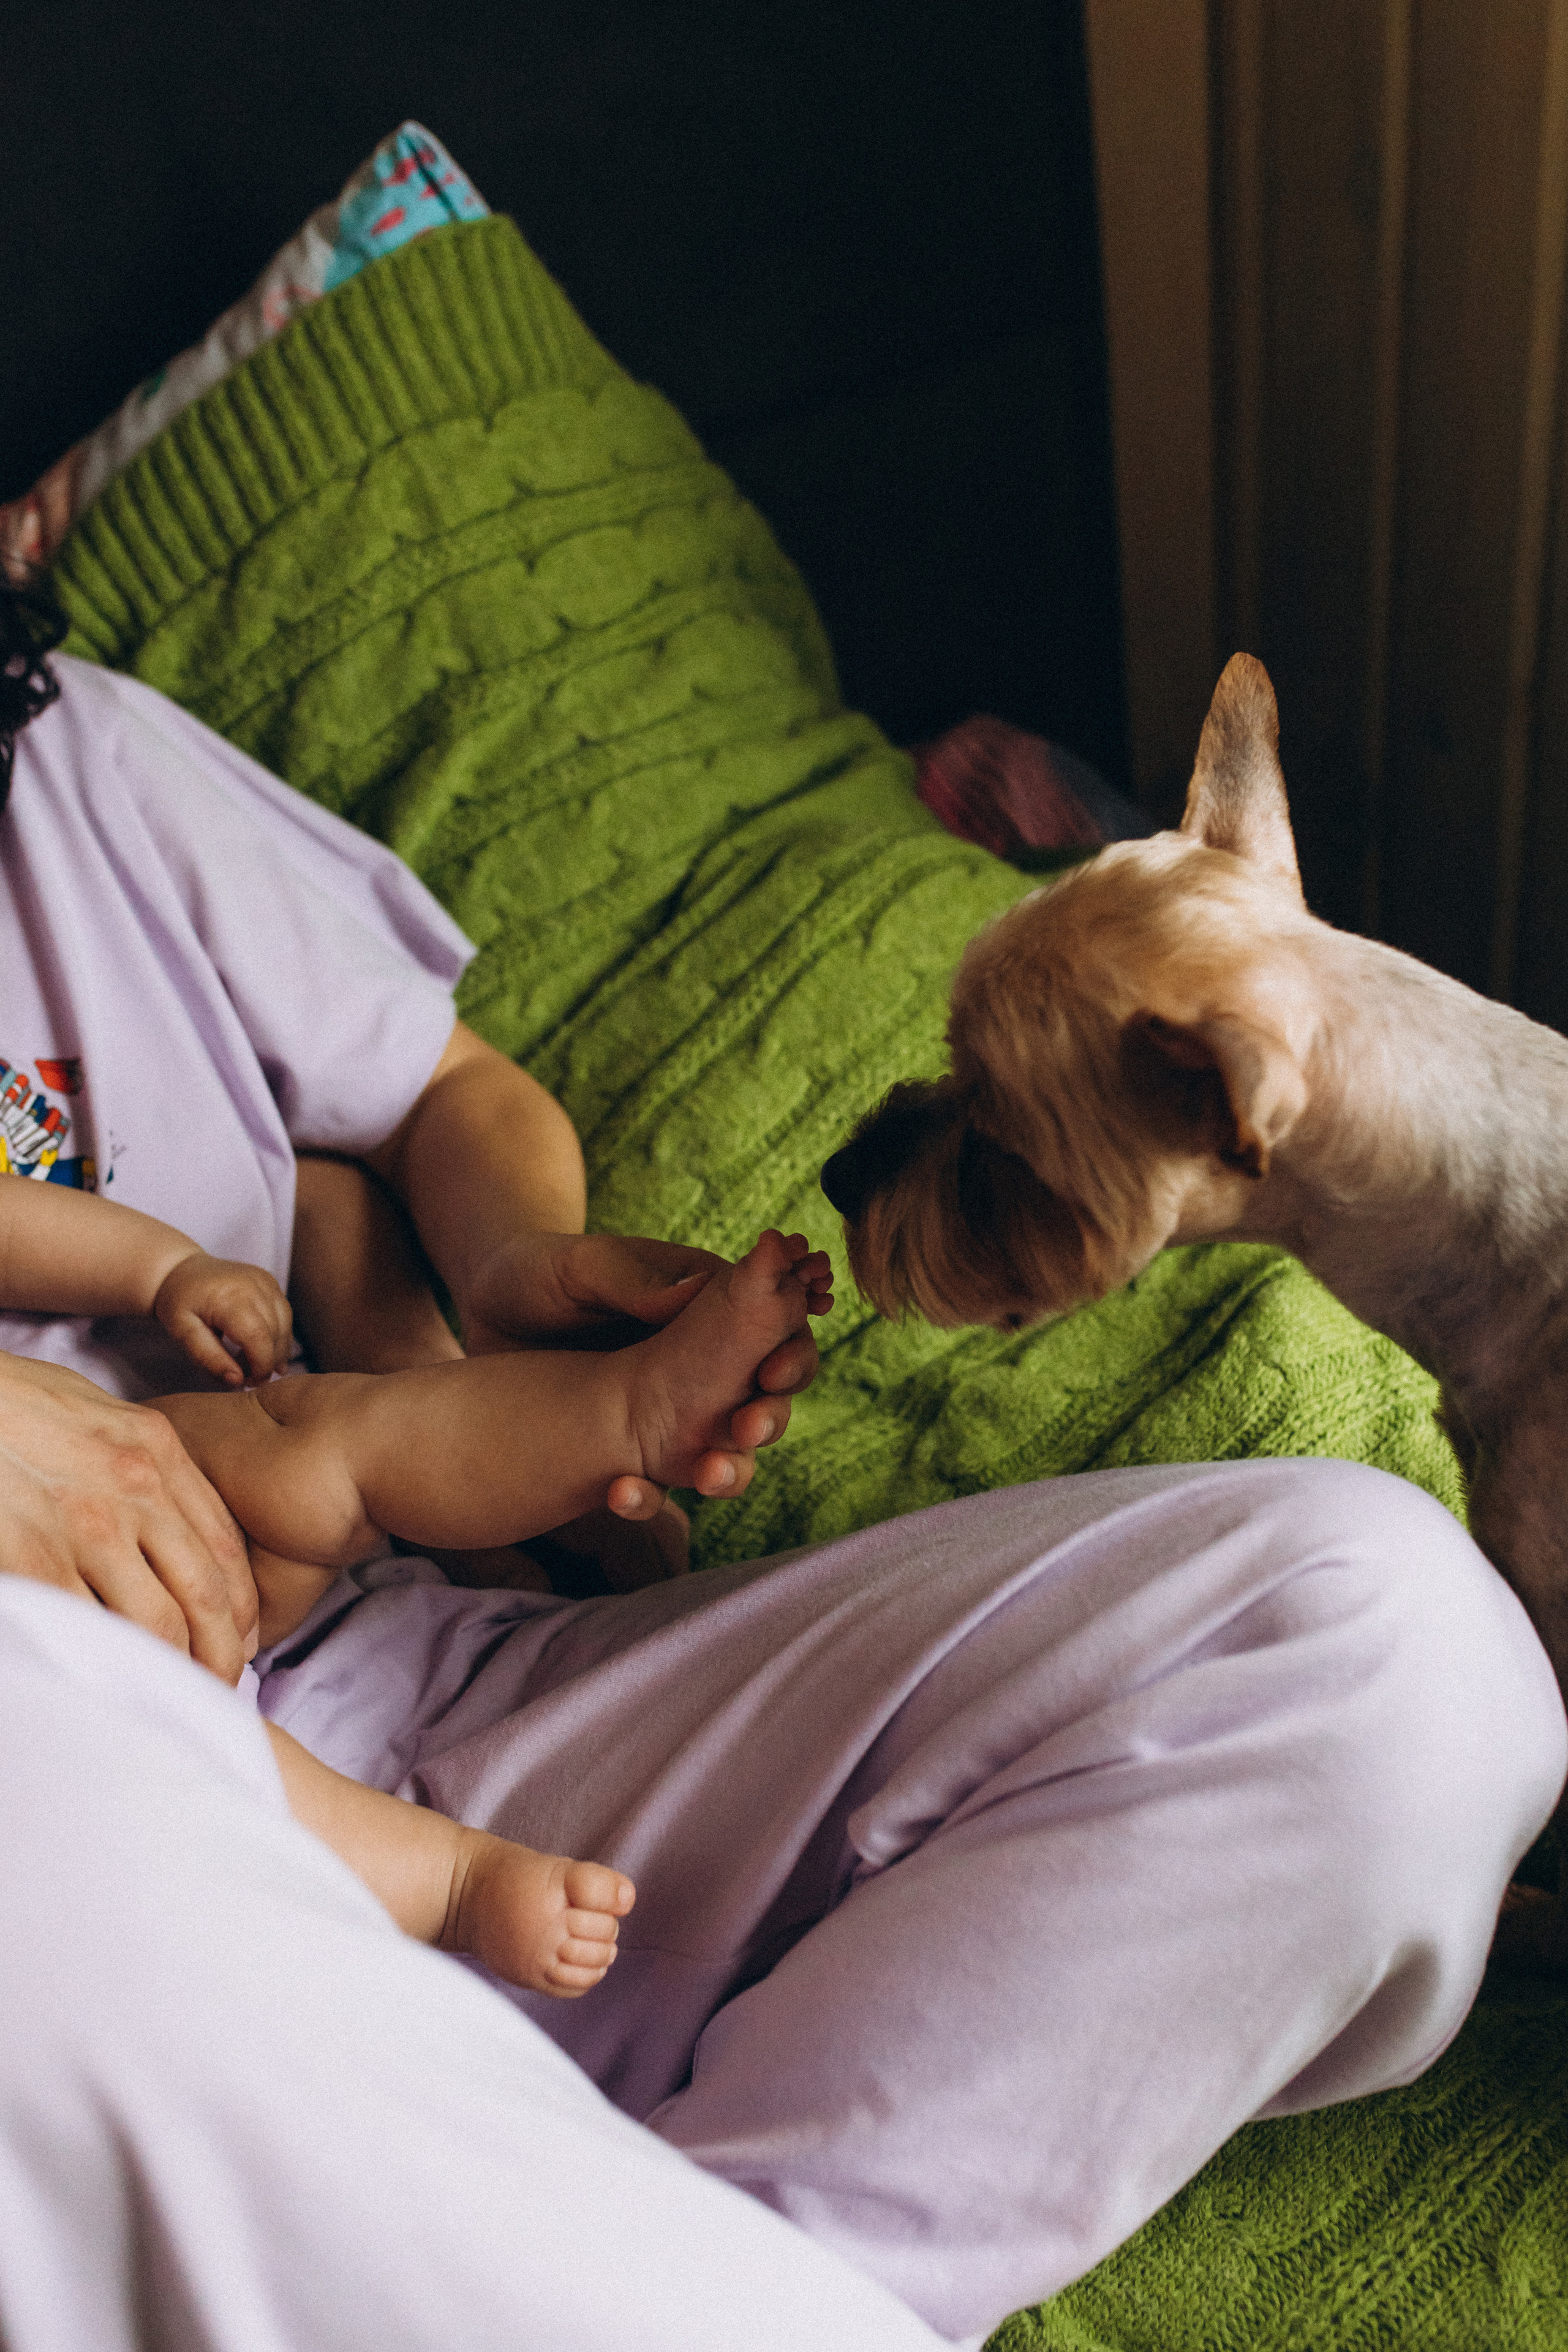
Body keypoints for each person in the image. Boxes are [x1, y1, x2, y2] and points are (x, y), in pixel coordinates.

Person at [1, 586, 1566, 2350]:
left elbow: (434, 1103)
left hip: (416, 1674)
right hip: (92, 1819)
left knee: (1405, 1648)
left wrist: (497, 1335)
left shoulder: (72, 751)